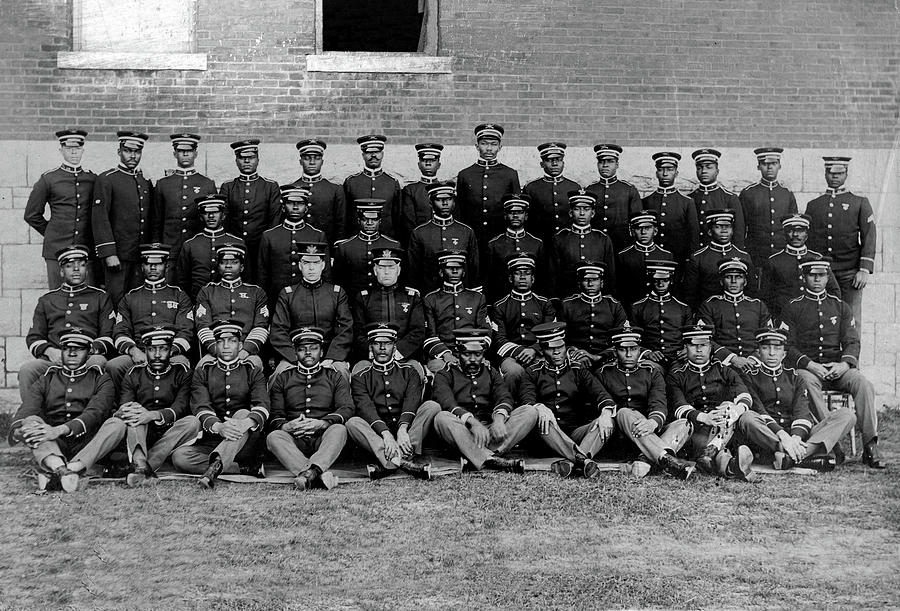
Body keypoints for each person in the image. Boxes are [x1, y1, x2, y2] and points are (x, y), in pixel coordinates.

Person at [779, 258, 884, 469]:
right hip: (809, 369)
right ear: (804, 277)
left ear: (828, 277)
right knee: (805, 383)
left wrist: (844, 365)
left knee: (863, 384)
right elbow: (787, 346)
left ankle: (870, 445)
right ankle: (833, 443)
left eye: (821, 275)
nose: (817, 279)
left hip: (838, 367)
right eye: (812, 275)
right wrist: (810, 365)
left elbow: (852, 341)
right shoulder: (793, 307)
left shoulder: (840, 307)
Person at [7, 329, 116, 492]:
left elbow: (95, 413)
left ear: (89, 353)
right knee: (31, 421)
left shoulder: (101, 378)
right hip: (55, 444)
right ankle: (62, 470)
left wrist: (57, 430)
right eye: (67, 348)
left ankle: (67, 469)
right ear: (62, 350)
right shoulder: (47, 378)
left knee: (116, 424)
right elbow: (28, 408)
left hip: (87, 442)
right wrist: (19, 431)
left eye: (79, 349)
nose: (72, 353)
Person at [89, 326, 198, 487]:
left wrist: (152, 415)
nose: (158, 355)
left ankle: (141, 468)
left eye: (163, 349)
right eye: (152, 349)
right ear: (145, 350)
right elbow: (126, 404)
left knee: (192, 421)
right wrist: (135, 413)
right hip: (142, 433)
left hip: (171, 431)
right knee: (134, 415)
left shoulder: (182, 372)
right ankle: (141, 466)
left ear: (170, 350)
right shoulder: (133, 374)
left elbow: (180, 407)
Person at [736, 328, 856, 471]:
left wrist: (796, 438)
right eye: (766, 348)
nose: (772, 353)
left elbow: (802, 412)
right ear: (758, 351)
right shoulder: (749, 376)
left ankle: (791, 458)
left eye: (777, 348)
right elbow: (758, 409)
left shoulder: (795, 377)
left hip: (796, 437)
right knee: (747, 417)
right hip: (768, 436)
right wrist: (783, 436)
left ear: (784, 353)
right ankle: (799, 455)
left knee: (847, 415)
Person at [171, 320, 270, 489]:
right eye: (220, 341)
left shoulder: (252, 371)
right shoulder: (204, 371)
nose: (225, 346)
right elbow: (200, 406)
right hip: (214, 438)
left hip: (245, 441)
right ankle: (242, 468)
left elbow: (263, 406)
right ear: (215, 345)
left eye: (231, 341)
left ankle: (214, 469)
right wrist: (219, 427)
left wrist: (242, 424)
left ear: (240, 345)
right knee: (180, 457)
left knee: (242, 413)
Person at [517, 322, 616, 478]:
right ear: (542, 350)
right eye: (550, 348)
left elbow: (601, 394)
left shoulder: (578, 370)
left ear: (566, 347)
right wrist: (538, 407)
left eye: (560, 347)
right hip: (546, 436)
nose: (557, 352)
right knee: (542, 419)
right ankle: (582, 460)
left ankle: (573, 462)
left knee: (605, 421)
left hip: (574, 434)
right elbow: (526, 400)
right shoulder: (532, 372)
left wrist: (605, 413)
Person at [596, 325, 696, 479]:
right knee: (624, 412)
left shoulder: (651, 372)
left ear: (640, 350)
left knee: (684, 424)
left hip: (648, 432)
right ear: (615, 351)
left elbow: (658, 402)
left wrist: (653, 422)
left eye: (634, 349)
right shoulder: (603, 374)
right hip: (622, 437)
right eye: (623, 350)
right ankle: (669, 461)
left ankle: (646, 460)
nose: (629, 354)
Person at [432, 328, 533, 473]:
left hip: (488, 433)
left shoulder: (491, 371)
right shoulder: (445, 374)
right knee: (441, 418)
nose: (473, 359)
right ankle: (492, 459)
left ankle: (480, 457)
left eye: (478, 354)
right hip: (461, 431)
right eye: (467, 354)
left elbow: (504, 396)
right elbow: (447, 403)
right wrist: (473, 423)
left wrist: (498, 419)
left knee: (529, 411)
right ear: (457, 353)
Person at [19, 245, 113, 400]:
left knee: (98, 362)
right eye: (70, 266)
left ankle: (94, 416)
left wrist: (87, 352)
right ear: (62, 271)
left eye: (81, 265)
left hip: (88, 357)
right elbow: (34, 337)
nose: (76, 270)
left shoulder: (100, 297)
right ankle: (33, 418)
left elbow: (108, 336)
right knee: (28, 370)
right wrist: (50, 352)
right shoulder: (47, 300)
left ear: (87, 270)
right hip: (56, 356)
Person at [266, 326, 354, 490]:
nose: (308, 353)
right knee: (274, 437)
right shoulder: (283, 378)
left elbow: (346, 408)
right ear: (295, 352)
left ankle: (309, 474)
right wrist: (287, 426)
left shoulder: (333, 376)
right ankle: (315, 473)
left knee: (339, 430)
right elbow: (275, 413)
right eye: (302, 349)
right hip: (295, 438)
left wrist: (322, 423)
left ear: (321, 352)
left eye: (313, 348)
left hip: (323, 437)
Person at [348, 323, 438, 479]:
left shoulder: (409, 371)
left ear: (395, 348)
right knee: (352, 422)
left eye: (388, 343)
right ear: (371, 348)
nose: (382, 348)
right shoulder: (360, 377)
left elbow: (412, 401)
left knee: (432, 406)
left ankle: (390, 462)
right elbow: (366, 408)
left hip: (407, 429)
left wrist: (402, 430)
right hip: (378, 432)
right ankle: (403, 462)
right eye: (377, 343)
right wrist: (386, 435)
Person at [666, 324, 755, 480]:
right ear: (686, 347)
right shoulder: (677, 374)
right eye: (694, 345)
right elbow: (678, 406)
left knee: (727, 407)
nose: (699, 350)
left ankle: (713, 457)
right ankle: (729, 465)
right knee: (718, 449)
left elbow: (744, 395)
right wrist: (705, 417)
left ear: (710, 347)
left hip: (724, 427)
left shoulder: (723, 369)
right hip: (696, 431)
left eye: (704, 345)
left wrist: (734, 411)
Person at [105, 243, 193, 388]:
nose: (153, 268)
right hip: (139, 352)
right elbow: (120, 331)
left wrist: (167, 352)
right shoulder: (130, 298)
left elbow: (186, 331)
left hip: (170, 353)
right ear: (142, 267)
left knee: (181, 364)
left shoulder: (179, 296)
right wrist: (134, 351)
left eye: (158, 264)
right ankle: (122, 406)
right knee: (114, 366)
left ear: (166, 266)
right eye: (148, 264)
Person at [805, 156, 876, 326]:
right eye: (830, 173)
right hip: (822, 273)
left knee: (852, 319)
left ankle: (851, 353)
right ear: (825, 174)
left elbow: (870, 235)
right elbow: (809, 240)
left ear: (846, 173)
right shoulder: (814, 205)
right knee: (823, 318)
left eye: (839, 173)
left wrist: (864, 269)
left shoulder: (859, 203)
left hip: (850, 273)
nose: (834, 177)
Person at [24, 128, 97, 289]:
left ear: (83, 150)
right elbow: (31, 214)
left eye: (77, 148)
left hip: (85, 248)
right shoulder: (49, 179)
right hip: (57, 249)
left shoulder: (92, 179)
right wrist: (53, 232)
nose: (73, 153)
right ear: (61, 150)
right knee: (57, 300)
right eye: (68, 148)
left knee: (87, 300)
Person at [269, 242, 353, 380]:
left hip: (328, 355)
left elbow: (345, 329)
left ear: (323, 265)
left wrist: (330, 358)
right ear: (300, 265)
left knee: (342, 372)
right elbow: (278, 331)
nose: (311, 268)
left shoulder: (336, 293)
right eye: (306, 263)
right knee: (279, 375)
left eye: (316, 263)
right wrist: (296, 358)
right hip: (297, 355)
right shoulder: (287, 294)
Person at [91, 131, 153, 305]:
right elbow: (100, 218)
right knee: (115, 300)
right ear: (119, 152)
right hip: (118, 256)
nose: (133, 155)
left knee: (138, 302)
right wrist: (109, 253)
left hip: (140, 255)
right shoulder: (107, 179)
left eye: (137, 151)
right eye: (127, 150)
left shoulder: (144, 180)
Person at [350, 247, 426, 374]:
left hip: (404, 357)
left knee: (416, 371)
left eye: (391, 268)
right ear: (375, 270)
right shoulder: (363, 297)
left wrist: (396, 352)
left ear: (399, 270)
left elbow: (417, 331)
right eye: (381, 268)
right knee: (359, 370)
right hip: (371, 358)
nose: (386, 272)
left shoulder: (411, 297)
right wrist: (376, 353)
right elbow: (358, 332)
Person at [194, 243, 268, 369]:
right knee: (201, 367)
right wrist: (218, 351)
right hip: (216, 352)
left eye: (234, 262)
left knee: (254, 366)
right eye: (223, 262)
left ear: (242, 267)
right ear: (218, 266)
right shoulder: (207, 291)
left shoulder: (256, 292)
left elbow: (261, 326)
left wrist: (246, 350)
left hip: (246, 353)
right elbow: (203, 326)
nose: (228, 266)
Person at [152, 133, 216, 277]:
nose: (185, 154)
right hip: (170, 250)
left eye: (189, 151)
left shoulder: (206, 184)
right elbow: (157, 220)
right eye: (181, 151)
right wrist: (158, 249)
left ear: (196, 153)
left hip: (198, 250)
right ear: (175, 153)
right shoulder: (163, 184)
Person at [455, 123, 521, 263]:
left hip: (501, 235)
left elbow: (516, 207)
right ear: (477, 146)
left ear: (500, 147)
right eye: (484, 144)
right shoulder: (465, 174)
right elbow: (459, 208)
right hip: (472, 236)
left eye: (493, 144)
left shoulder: (509, 174)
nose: (489, 148)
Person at [695, 257, 772, 374]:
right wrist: (732, 358)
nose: (733, 281)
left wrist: (753, 359)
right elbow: (704, 339)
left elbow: (767, 337)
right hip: (722, 365)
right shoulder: (710, 305)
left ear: (745, 281)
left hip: (755, 365)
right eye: (728, 277)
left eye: (739, 277)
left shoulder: (758, 305)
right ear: (721, 281)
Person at [219, 138, 281, 283]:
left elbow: (275, 220)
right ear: (236, 161)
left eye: (251, 157)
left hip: (261, 248)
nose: (247, 161)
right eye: (242, 158)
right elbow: (224, 220)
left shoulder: (270, 186)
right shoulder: (228, 187)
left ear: (258, 160)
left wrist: (267, 247)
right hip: (234, 250)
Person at [490, 253, 557, 386]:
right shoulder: (500, 306)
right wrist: (521, 352)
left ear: (533, 278)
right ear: (510, 278)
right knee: (512, 371)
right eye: (518, 273)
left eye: (526, 273)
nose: (522, 277)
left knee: (547, 371)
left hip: (540, 353)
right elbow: (499, 339)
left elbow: (551, 334)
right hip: (511, 355)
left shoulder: (544, 304)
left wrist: (534, 349)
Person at [257, 185, 330, 305]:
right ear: (283, 207)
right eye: (290, 203)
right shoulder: (269, 236)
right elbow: (262, 274)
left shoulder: (317, 235)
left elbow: (326, 273)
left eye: (300, 204)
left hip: (308, 298)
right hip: (276, 297)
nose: (295, 207)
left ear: (306, 208)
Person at [761, 213, 841, 321]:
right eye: (790, 230)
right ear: (784, 233)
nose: (795, 235)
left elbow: (834, 292)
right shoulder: (774, 261)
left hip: (815, 317)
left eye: (800, 231)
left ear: (807, 234)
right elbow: (765, 297)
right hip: (785, 318)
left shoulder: (818, 259)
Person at [738, 147, 798, 288]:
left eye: (774, 164)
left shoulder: (786, 194)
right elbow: (741, 227)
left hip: (782, 255)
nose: (769, 167)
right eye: (765, 164)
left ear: (779, 166)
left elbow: (794, 227)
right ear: (758, 166)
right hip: (757, 256)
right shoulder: (749, 193)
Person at [421, 250, 490, 372]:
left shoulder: (477, 298)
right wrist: (446, 354)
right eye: (449, 268)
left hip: (473, 353)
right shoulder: (431, 299)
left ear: (463, 272)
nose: (454, 271)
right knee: (438, 368)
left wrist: (473, 353)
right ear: (441, 272)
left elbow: (485, 331)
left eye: (458, 268)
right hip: (442, 356)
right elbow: (429, 335)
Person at [407, 180, 480, 294]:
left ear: (454, 202)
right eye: (439, 199)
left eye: (449, 199)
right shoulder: (419, 233)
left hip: (461, 297)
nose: (445, 203)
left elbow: (473, 267)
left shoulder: (466, 231)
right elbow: (413, 269)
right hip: (429, 294)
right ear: (431, 203)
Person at [558, 262, 627, 370]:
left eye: (595, 280)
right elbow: (559, 337)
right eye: (586, 280)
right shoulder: (567, 305)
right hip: (576, 359)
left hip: (607, 359)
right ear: (579, 283)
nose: (590, 284)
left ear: (602, 282)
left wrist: (598, 356)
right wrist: (574, 352)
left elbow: (622, 338)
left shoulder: (614, 305)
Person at [175, 194, 245, 301]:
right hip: (197, 301)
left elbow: (246, 277)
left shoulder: (237, 243)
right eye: (206, 212)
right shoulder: (190, 244)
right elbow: (182, 280)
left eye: (216, 212)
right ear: (200, 217)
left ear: (223, 215)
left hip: (229, 302)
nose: (211, 216)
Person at [550, 190, 617, 298]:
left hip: (596, 299)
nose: (582, 213)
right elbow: (553, 274)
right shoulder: (560, 238)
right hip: (567, 297)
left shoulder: (602, 239)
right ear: (571, 212)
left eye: (586, 209)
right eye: (577, 209)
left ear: (593, 213)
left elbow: (610, 274)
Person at [641, 151, 699, 275]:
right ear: (656, 173)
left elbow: (693, 235)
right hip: (652, 258)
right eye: (661, 170)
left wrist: (690, 261)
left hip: (678, 259)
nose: (665, 174)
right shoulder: (646, 201)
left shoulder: (686, 202)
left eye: (670, 169)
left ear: (676, 173)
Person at [682, 209, 752, 309]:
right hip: (708, 313)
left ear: (732, 230)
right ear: (710, 232)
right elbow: (690, 294)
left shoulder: (744, 256)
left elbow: (751, 291)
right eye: (718, 227)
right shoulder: (698, 258)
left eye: (728, 227)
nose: (724, 230)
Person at [631, 260, 692, 373]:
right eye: (657, 280)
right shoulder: (638, 307)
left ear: (671, 281)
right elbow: (633, 338)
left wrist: (687, 350)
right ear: (651, 281)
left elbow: (690, 337)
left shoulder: (683, 307)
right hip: (651, 359)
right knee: (650, 372)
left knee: (682, 374)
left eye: (665, 280)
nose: (661, 284)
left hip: (678, 359)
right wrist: (647, 352)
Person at [332, 199, 401, 298]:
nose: (369, 223)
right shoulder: (345, 247)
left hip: (382, 302)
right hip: (353, 302)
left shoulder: (392, 245)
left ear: (380, 220)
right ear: (358, 220)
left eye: (374, 219)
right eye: (365, 219)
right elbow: (339, 281)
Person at [484, 193, 545, 302]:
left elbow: (542, 277)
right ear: (505, 215)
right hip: (501, 301)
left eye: (520, 212)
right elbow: (489, 279)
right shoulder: (494, 244)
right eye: (511, 212)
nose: (515, 216)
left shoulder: (536, 243)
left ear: (526, 215)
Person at [585, 143, 641, 253]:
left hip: (622, 243)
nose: (605, 165)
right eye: (601, 161)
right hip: (595, 243)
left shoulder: (628, 189)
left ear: (617, 164)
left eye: (610, 161)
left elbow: (637, 221)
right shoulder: (590, 190)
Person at [343, 134, 401, 238]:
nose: (373, 155)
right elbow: (345, 216)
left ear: (382, 154)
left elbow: (397, 217)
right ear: (363, 155)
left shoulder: (392, 182)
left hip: (386, 241)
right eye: (369, 152)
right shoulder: (351, 182)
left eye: (377, 152)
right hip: (356, 241)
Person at [522, 142, 581, 243]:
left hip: (568, 242)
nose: (554, 164)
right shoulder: (531, 188)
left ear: (563, 163)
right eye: (549, 160)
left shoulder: (574, 187)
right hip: (541, 241)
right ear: (542, 164)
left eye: (558, 160)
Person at [292, 138, 347, 246]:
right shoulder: (292, 189)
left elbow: (341, 223)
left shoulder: (335, 190)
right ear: (300, 161)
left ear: (322, 162)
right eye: (307, 158)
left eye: (317, 158)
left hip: (326, 246)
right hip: (298, 246)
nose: (312, 162)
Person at [616, 210, 674, 310]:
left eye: (647, 228)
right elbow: (618, 288)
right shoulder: (623, 256)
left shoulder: (666, 255)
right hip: (630, 307)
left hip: (657, 310)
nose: (643, 232)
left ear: (655, 231)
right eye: (638, 228)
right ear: (633, 231)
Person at [689, 148, 745, 248]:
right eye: (700, 168)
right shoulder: (689, 199)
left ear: (717, 171)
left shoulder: (729, 198)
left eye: (709, 167)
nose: (704, 171)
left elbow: (738, 233)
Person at [400, 142, 444, 243]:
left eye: (432, 160)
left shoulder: (446, 189)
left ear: (439, 165)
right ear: (419, 165)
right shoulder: (411, 190)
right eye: (424, 160)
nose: (428, 163)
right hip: (419, 241)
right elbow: (409, 222)